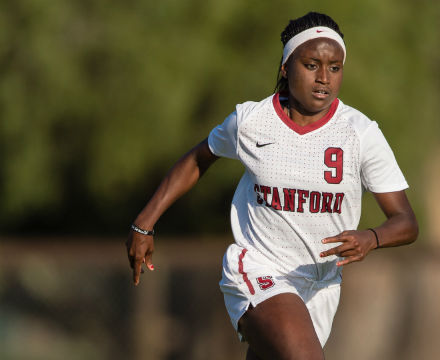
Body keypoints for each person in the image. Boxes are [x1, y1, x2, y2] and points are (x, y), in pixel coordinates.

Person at [126, 11, 418, 360]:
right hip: (259, 268)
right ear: (285, 67)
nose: (324, 78)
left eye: (334, 67)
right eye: (312, 65)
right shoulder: (252, 121)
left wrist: (372, 238)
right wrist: (144, 223)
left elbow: (405, 222)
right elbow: (198, 158)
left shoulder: (360, 133)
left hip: (319, 285)